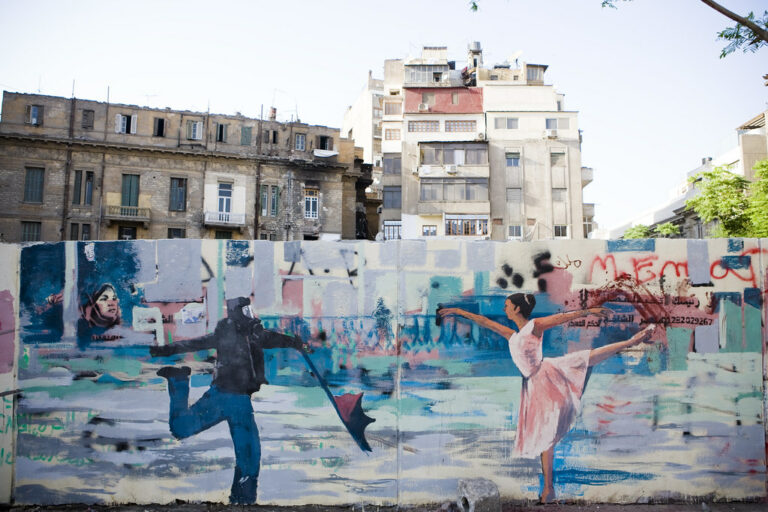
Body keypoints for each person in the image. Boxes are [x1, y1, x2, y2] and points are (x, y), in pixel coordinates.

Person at [439, 293, 657, 503]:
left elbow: (562, 318)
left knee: (587, 359)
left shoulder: (534, 326)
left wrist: (589, 311)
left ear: (516, 308)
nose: (504, 309)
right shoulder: (511, 335)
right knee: (546, 437)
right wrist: (457, 311)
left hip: (546, 378)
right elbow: (483, 321)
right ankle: (548, 490)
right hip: (533, 386)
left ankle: (631, 342)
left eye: (507, 306)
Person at [150, 296, 306, 504]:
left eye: (250, 310)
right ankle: (178, 381)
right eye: (245, 311)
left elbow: (271, 339)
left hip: (241, 400)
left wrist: (293, 342)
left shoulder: (254, 333)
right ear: (236, 312)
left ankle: (242, 501)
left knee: (250, 455)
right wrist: (165, 349)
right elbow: (197, 343)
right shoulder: (226, 331)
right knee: (181, 428)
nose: (250, 315)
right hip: (222, 396)